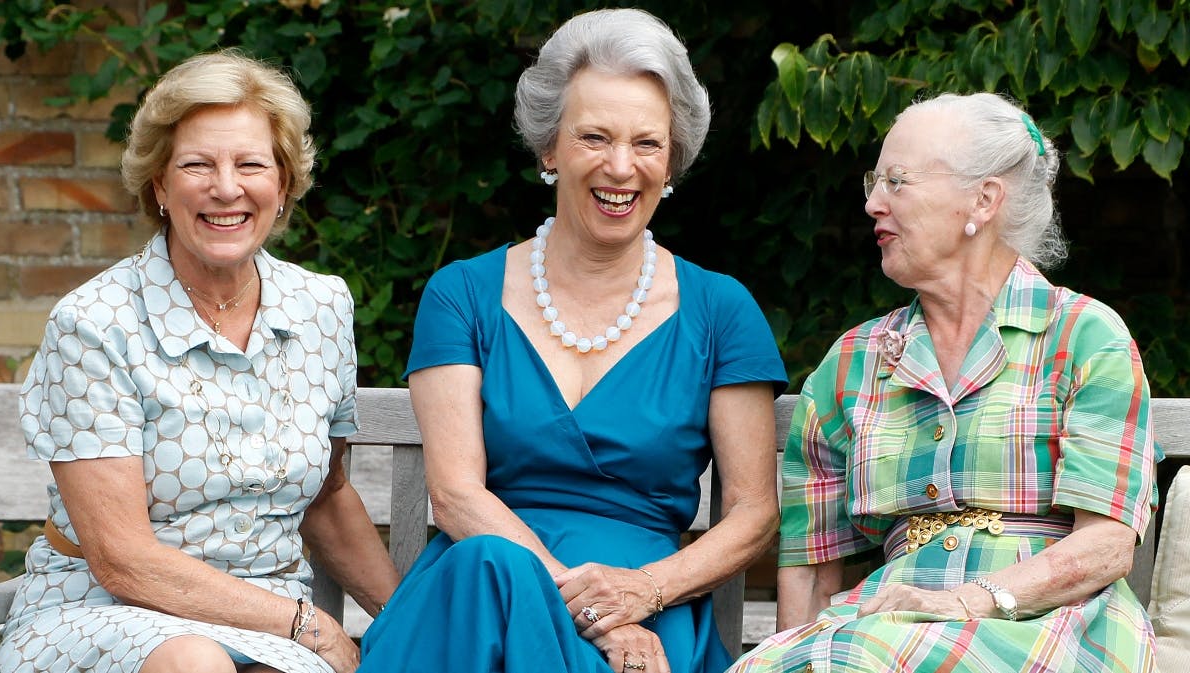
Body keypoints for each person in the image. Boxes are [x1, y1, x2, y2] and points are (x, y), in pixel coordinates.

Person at [357, 8, 787, 673]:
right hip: (476, 601)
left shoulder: (721, 311)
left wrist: (643, 591)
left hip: (642, 604)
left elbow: (754, 515)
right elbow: (456, 496)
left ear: (671, 159)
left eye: (646, 143)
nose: (621, 167)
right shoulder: (461, 295)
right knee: (487, 564)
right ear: (550, 148)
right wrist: (584, 606)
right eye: (594, 137)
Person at [0, 50, 398, 673]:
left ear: (282, 184)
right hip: (101, 612)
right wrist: (305, 624)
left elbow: (327, 498)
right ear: (160, 184)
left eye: (252, 164)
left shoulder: (321, 307)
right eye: (197, 165)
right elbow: (122, 558)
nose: (226, 188)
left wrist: (408, 627)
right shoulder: (94, 324)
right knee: (193, 662)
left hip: (269, 620)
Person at [729, 92, 1161, 672]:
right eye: (873, 183)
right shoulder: (852, 364)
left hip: (1051, 623)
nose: (873, 204)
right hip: (884, 635)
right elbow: (810, 569)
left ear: (982, 199)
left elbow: (1105, 545)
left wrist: (965, 601)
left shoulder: (1085, 337)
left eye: (897, 181)